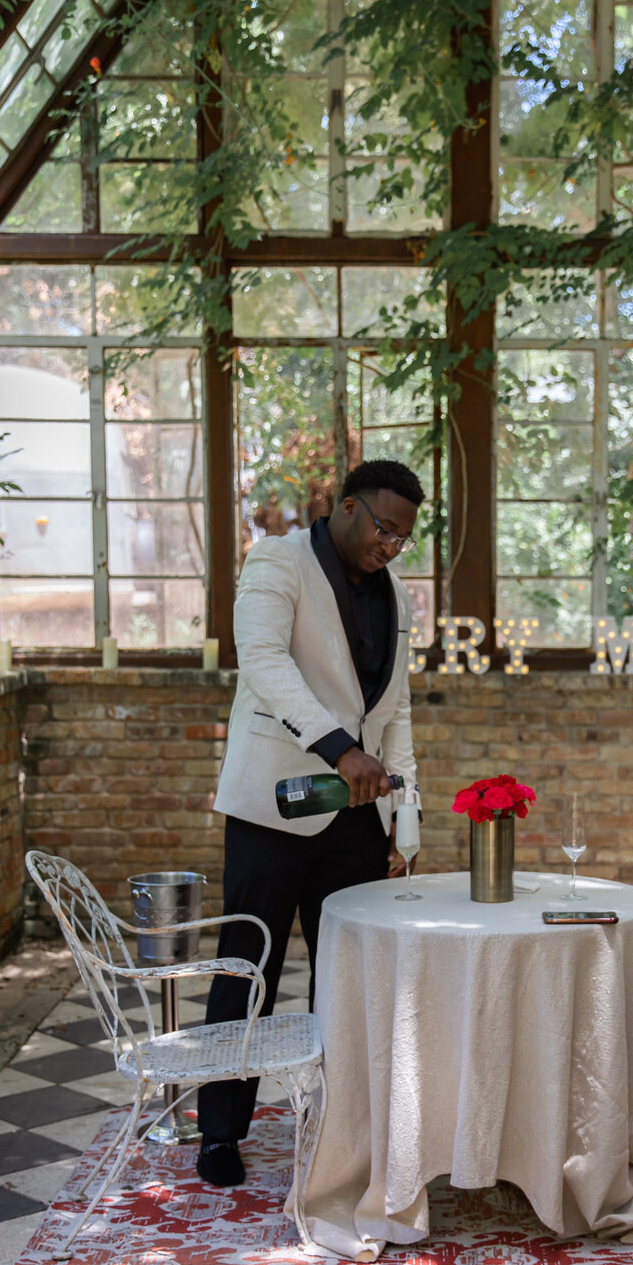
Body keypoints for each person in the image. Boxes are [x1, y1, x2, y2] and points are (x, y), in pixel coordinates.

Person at [196, 458, 425, 1187]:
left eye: (403, 539)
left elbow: (399, 710)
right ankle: (221, 1135)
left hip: (357, 818)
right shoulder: (277, 560)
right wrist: (340, 749)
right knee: (248, 970)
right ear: (349, 507)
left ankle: (347, 1125)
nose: (391, 547)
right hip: (272, 806)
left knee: (352, 978)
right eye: (385, 529)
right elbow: (263, 660)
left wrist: (404, 816)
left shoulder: (396, 597)